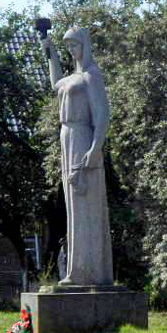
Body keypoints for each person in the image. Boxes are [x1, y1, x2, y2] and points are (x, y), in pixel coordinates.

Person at [41, 27, 113, 286]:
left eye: (75, 45)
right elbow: (56, 84)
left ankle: (87, 271)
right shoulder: (73, 77)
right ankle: (77, 269)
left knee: (85, 207)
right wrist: (51, 54)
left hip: (82, 138)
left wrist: (95, 149)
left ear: (85, 45)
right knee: (73, 209)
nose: (72, 50)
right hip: (67, 137)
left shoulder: (92, 76)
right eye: (68, 46)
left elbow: (102, 116)